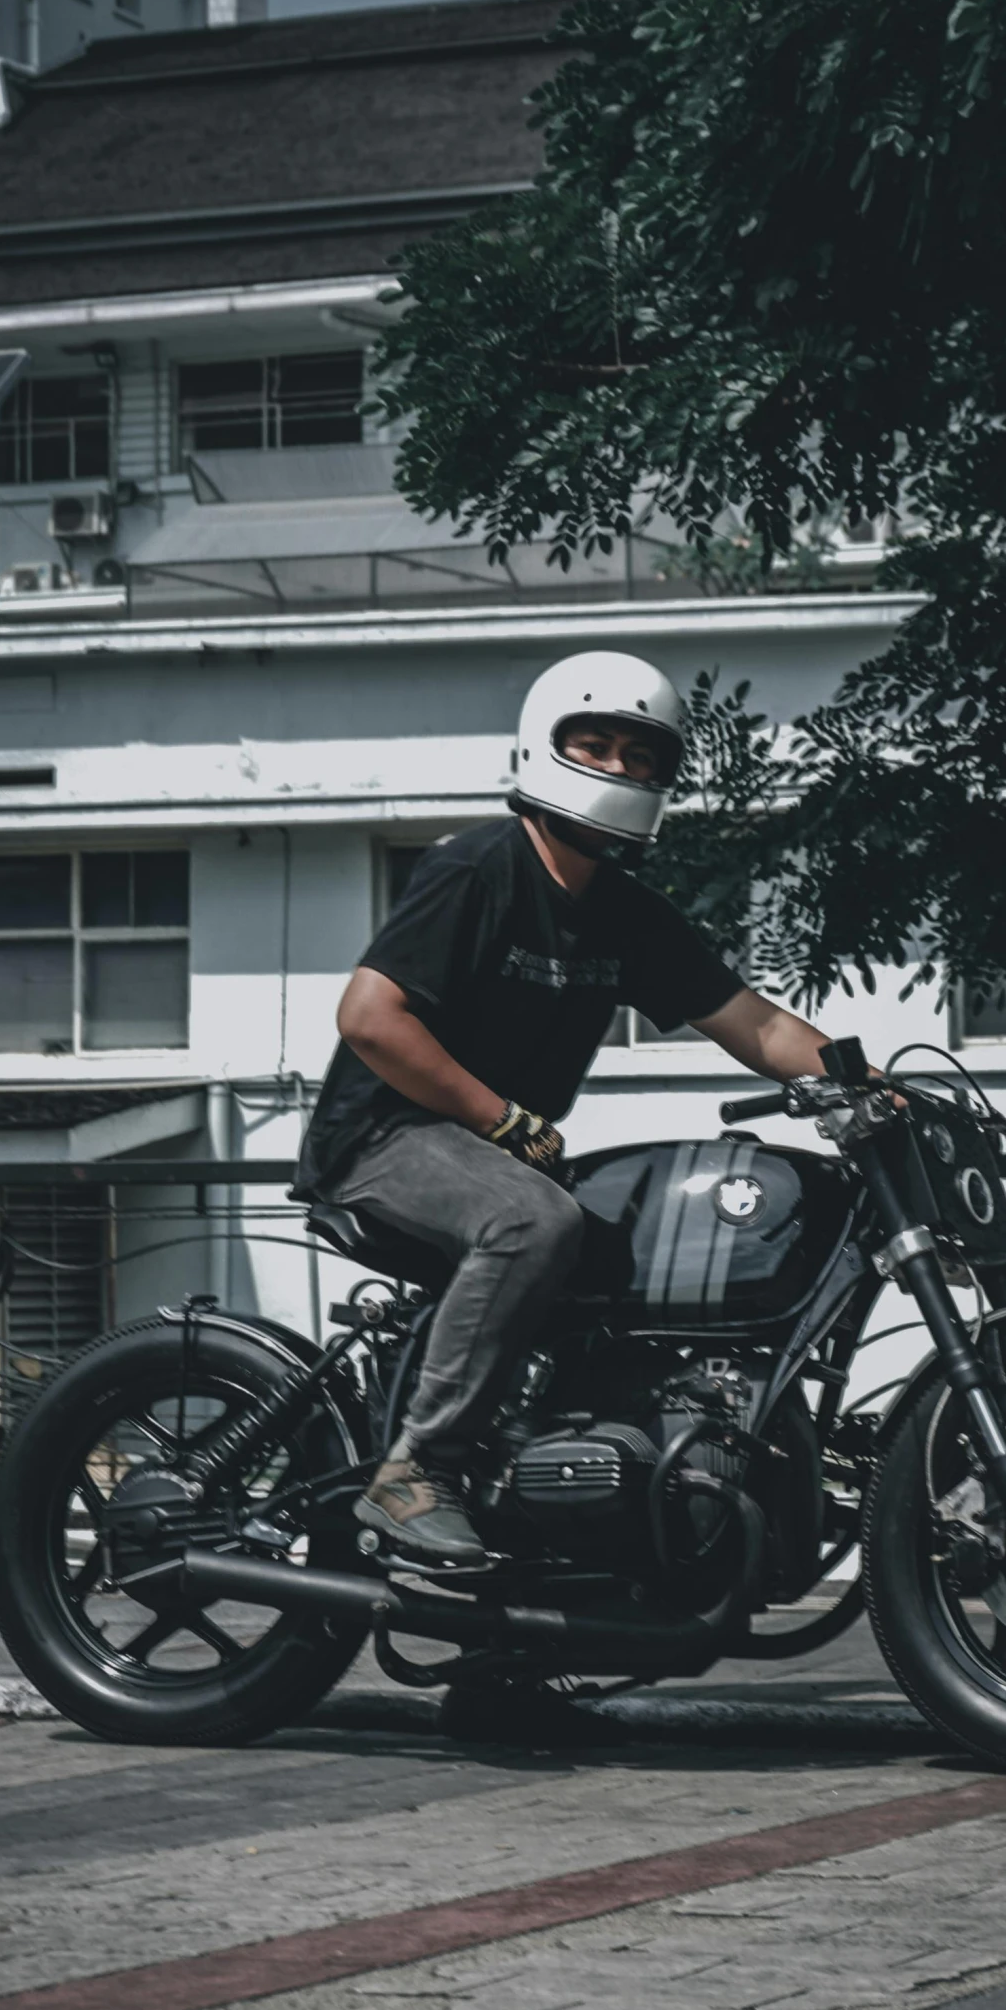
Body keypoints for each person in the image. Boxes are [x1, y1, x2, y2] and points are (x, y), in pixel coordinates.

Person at [293, 650, 839, 1566]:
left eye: (641, 755)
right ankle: (417, 1471)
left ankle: (539, 1578)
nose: (620, 770)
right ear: (544, 749)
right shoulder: (479, 870)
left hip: (493, 1151)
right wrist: (501, 1119)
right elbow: (371, 1019)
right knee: (534, 1222)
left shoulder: (625, 913)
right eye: (596, 744)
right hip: (385, 1139)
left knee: (618, 1267)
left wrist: (864, 1081)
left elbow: (750, 1021)